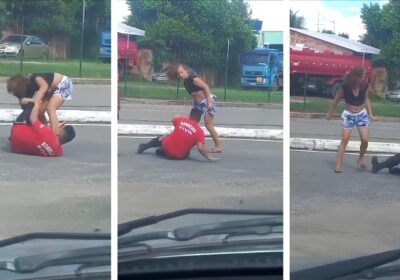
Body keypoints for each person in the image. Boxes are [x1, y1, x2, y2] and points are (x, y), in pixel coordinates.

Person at [326, 67, 378, 173]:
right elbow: (336, 101)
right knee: (345, 139)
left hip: (361, 114)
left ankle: (360, 158)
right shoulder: (345, 87)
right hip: (349, 115)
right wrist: (330, 113)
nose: (362, 80)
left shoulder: (365, 86)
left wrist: (371, 114)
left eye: (363, 77)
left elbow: (366, 99)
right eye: (361, 77)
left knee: (365, 140)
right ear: (354, 77)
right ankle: (339, 164)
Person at [167, 63, 222, 153]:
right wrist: (195, 105)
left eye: (182, 72)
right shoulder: (186, 82)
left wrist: (209, 102)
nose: (181, 75)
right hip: (198, 104)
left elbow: (206, 87)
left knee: (209, 125)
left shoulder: (193, 79)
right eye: (178, 74)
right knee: (190, 124)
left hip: (206, 102)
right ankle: (188, 142)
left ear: (186, 70)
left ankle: (218, 146)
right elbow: (195, 94)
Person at [137, 108, 218, 161]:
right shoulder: (200, 131)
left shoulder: (181, 120)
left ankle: (145, 146)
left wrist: (184, 118)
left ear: (190, 115)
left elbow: (174, 118)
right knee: (188, 149)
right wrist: (208, 157)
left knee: (165, 135)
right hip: (179, 156)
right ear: (199, 118)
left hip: (166, 145)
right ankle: (165, 152)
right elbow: (200, 148)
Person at [7, 72, 73, 136]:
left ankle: (55, 134)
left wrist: (35, 100)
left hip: (63, 83)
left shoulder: (34, 77)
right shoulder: (26, 91)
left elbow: (44, 86)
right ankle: (45, 129)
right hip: (51, 89)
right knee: (39, 111)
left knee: (50, 108)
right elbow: (28, 108)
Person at [10, 102, 76, 157]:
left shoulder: (48, 133)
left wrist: (36, 103)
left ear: (60, 131)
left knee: (32, 107)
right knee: (40, 127)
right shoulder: (58, 152)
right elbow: (48, 138)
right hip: (15, 148)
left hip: (16, 130)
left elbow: (33, 119)